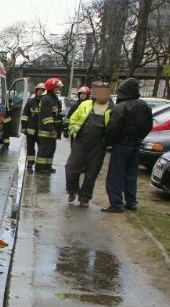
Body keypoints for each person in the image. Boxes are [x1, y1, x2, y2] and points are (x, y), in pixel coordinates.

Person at [102, 78, 153, 213]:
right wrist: (139, 138)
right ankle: (131, 202)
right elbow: (149, 126)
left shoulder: (121, 107)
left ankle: (116, 204)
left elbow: (112, 128)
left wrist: (109, 143)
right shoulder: (145, 106)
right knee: (131, 174)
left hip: (121, 145)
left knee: (115, 175)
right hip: (136, 145)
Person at [65, 82, 113, 207]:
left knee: (91, 173)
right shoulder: (85, 105)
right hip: (81, 141)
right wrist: (74, 131)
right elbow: (73, 119)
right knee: (71, 167)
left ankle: (84, 197)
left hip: (99, 145)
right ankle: (72, 190)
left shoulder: (112, 108)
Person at [35, 78, 64, 173]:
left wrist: (60, 115)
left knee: (51, 149)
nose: (58, 89)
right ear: (52, 87)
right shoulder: (46, 99)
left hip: (53, 131)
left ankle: (47, 166)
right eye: (57, 87)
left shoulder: (54, 99)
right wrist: (51, 129)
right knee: (44, 150)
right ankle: (40, 167)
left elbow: (54, 113)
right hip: (46, 131)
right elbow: (47, 116)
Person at [21, 83, 46, 169]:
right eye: (39, 90)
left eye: (42, 90)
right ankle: (30, 163)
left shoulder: (45, 103)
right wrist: (24, 127)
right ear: (36, 91)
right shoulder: (30, 102)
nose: (40, 92)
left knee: (42, 149)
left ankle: (40, 165)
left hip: (42, 131)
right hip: (31, 130)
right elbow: (25, 115)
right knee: (30, 148)